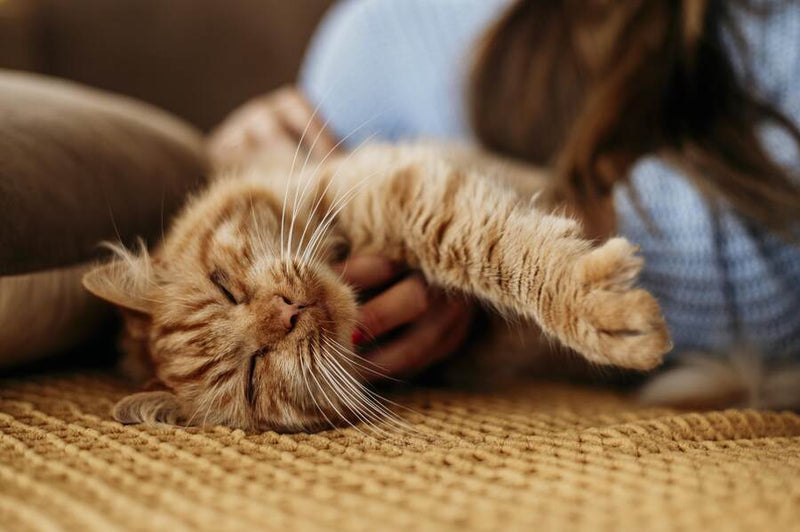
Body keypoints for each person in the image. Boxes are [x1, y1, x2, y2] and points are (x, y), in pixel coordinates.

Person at [209, 0, 800, 387]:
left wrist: (470, 255)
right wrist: (244, 160)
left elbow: (781, 260)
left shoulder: (761, 26)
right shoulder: (371, 34)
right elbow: (291, 175)